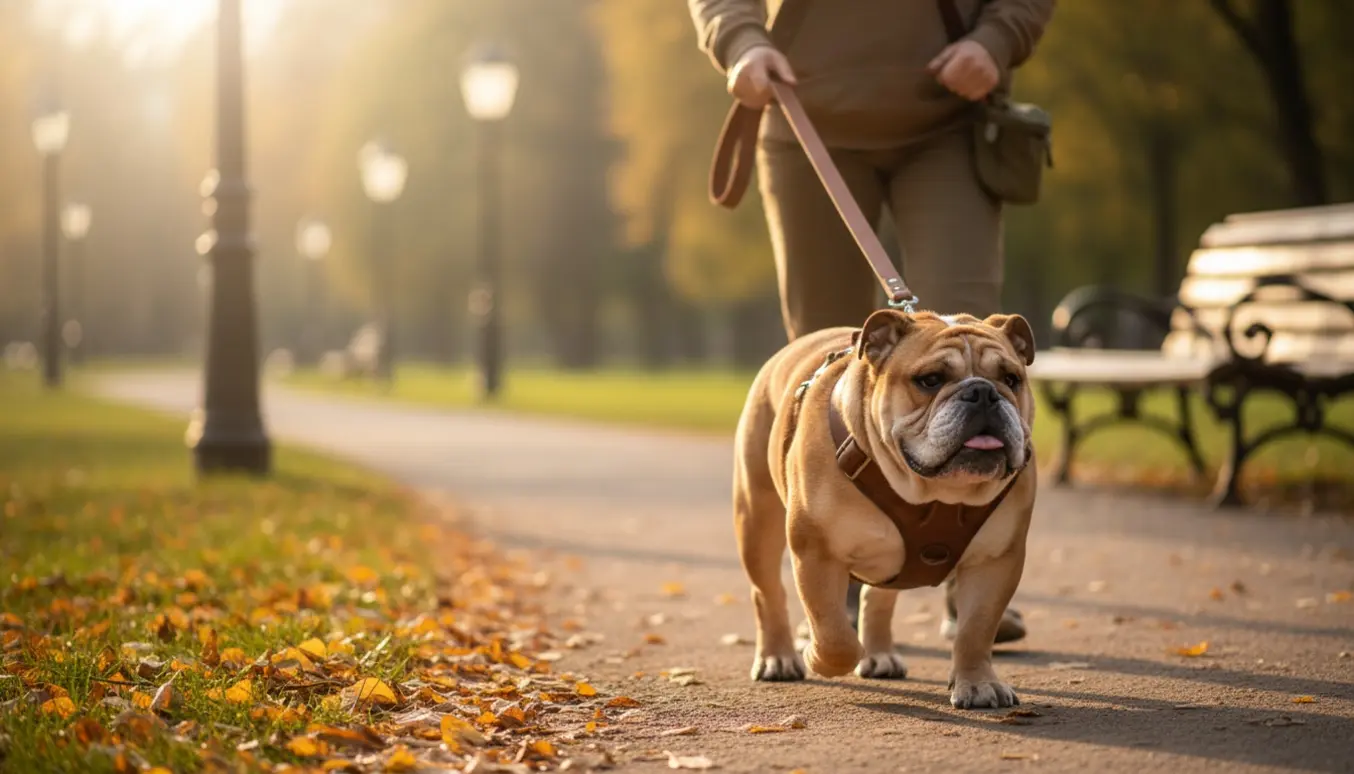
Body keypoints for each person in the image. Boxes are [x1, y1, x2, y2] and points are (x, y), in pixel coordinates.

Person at [688, 0, 1055, 645]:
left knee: (965, 341)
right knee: (830, 362)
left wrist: (998, 38)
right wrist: (738, 37)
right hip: (805, 113)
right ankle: (843, 585)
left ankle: (968, 575)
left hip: (952, 114)